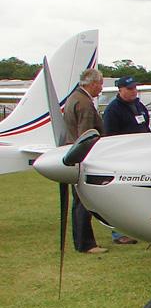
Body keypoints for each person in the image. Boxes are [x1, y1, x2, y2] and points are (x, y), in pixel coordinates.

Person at [102, 76, 150, 244]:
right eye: (130, 89)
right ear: (120, 90)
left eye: (135, 88)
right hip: (123, 160)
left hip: (142, 157)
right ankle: (118, 233)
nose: (134, 91)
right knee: (121, 197)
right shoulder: (113, 110)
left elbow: (145, 125)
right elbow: (109, 136)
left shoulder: (139, 105)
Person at [63, 68, 106, 254]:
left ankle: (82, 241)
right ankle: (86, 243)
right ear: (93, 83)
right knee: (83, 201)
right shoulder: (85, 104)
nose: (101, 88)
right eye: (100, 84)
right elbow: (87, 135)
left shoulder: (74, 98)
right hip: (83, 159)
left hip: (74, 156)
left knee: (78, 201)